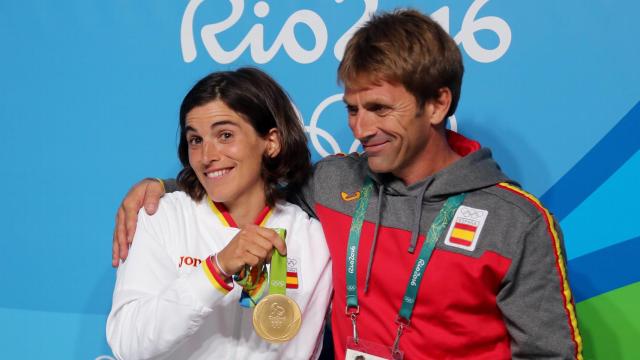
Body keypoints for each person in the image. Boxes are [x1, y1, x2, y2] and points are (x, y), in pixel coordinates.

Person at [112, 9, 583, 360]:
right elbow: (247, 181)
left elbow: (551, 353)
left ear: (437, 105)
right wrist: (165, 185)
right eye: (352, 110)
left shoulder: (515, 222)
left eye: (380, 109)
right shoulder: (335, 183)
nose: (361, 129)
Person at [106, 68, 332, 359]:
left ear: (271, 142)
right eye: (195, 140)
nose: (206, 156)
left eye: (225, 135)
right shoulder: (160, 217)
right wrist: (216, 270)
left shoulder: (314, 238)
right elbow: (128, 344)